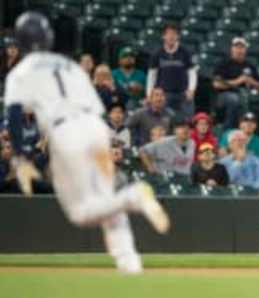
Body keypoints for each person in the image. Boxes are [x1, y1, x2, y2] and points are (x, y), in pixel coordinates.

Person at [4, 12, 169, 274]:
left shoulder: (20, 72)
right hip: (95, 128)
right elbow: (95, 106)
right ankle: (129, 264)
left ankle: (133, 196)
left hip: (66, 133)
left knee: (80, 213)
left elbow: (14, 115)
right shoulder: (67, 65)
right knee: (105, 199)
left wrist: (20, 157)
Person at [147, 24, 197, 118]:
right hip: (164, 94)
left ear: (178, 36)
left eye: (174, 34)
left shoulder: (185, 52)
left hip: (183, 93)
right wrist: (149, 93)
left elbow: (192, 72)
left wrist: (191, 89)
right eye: (169, 34)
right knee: (164, 120)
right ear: (164, 36)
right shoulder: (157, 53)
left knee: (187, 120)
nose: (171, 36)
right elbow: (152, 75)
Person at [213, 37, 259, 128]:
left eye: (242, 47)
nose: (239, 50)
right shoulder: (224, 63)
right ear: (232, 49)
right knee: (234, 99)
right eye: (237, 47)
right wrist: (238, 81)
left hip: (246, 93)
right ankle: (229, 128)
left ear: (245, 50)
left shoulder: (250, 65)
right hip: (224, 95)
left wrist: (251, 81)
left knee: (257, 101)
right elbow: (216, 84)